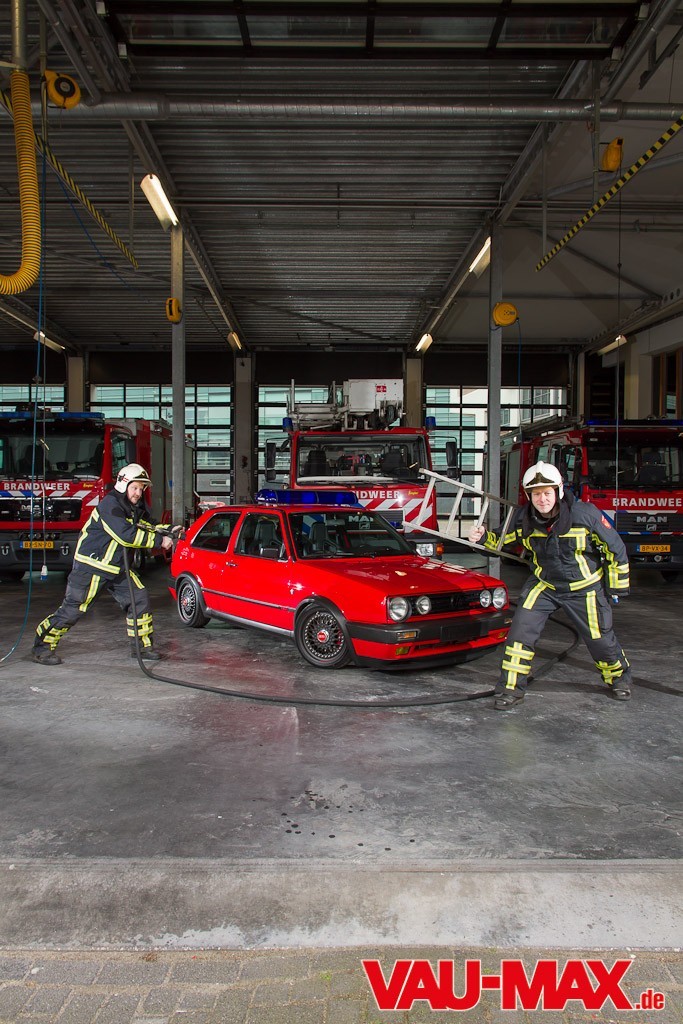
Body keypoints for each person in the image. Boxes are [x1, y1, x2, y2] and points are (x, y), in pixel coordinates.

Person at [468, 461, 631, 710]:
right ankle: (510, 689)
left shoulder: (585, 514)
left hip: (584, 588)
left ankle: (618, 679)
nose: (542, 499)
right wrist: (481, 538)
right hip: (545, 586)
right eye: (536, 494)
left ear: (558, 491)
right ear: (528, 496)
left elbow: (615, 549)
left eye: (547, 492)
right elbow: (501, 540)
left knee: (600, 640)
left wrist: (617, 587)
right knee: (519, 635)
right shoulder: (524, 518)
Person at [31, 463, 178, 666]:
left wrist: (169, 529)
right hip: (91, 567)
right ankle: (42, 647)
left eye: (141, 488)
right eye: (135, 487)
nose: (138, 493)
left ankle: (142, 647)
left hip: (116, 568)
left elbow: (145, 524)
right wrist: (160, 541)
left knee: (139, 599)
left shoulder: (130, 507)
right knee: (73, 609)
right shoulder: (110, 506)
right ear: (123, 484)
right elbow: (126, 534)